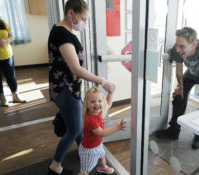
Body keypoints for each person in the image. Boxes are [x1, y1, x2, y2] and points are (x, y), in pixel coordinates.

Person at [47, 0, 116, 174]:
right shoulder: (61, 33)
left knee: (77, 125)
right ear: (71, 13)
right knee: (74, 129)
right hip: (65, 90)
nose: (84, 22)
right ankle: (55, 167)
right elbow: (75, 68)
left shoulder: (68, 32)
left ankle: (85, 150)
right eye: (83, 18)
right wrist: (102, 81)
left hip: (70, 89)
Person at [156, 27, 199, 149]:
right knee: (178, 97)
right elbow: (179, 70)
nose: (178, 49)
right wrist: (180, 87)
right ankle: (173, 131)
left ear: (194, 44)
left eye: (182, 46)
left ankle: (198, 136)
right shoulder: (178, 50)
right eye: (177, 45)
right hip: (192, 73)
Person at [78, 87, 126, 175]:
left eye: (99, 101)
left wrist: (110, 93)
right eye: (92, 102)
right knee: (85, 171)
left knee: (102, 156)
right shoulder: (91, 119)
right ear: (86, 104)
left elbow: (109, 104)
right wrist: (117, 127)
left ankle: (102, 167)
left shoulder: (100, 112)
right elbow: (101, 133)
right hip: (89, 150)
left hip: (97, 145)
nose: (97, 104)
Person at [0, 15, 26, 107]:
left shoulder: (2, 22)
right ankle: (2, 99)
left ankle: (15, 97)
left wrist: (5, 41)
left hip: (7, 56)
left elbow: (11, 36)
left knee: (11, 77)